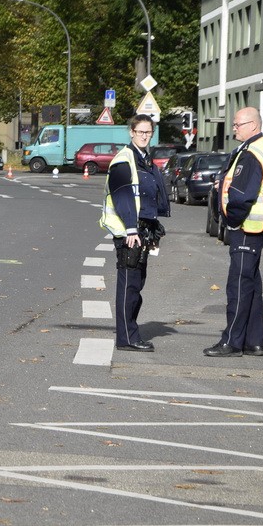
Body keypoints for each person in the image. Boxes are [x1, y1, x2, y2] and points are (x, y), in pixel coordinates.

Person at [204, 107, 263, 358]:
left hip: (247, 227)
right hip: (256, 228)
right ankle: (253, 340)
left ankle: (232, 342)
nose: (234, 128)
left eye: (237, 124)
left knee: (237, 285)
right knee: (251, 285)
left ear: (253, 125)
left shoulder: (252, 153)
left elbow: (241, 195)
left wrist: (232, 220)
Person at [99, 114, 171, 352]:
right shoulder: (124, 159)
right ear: (131, 132)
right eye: (140, 131)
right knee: (129, 285)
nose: (144, 136)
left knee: (137, 285)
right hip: (130, 232)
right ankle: (127, 338)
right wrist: (130, 228)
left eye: (148, 132)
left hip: (143, 230)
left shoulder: (145, 160)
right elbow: (122, 196)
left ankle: (130, 332)